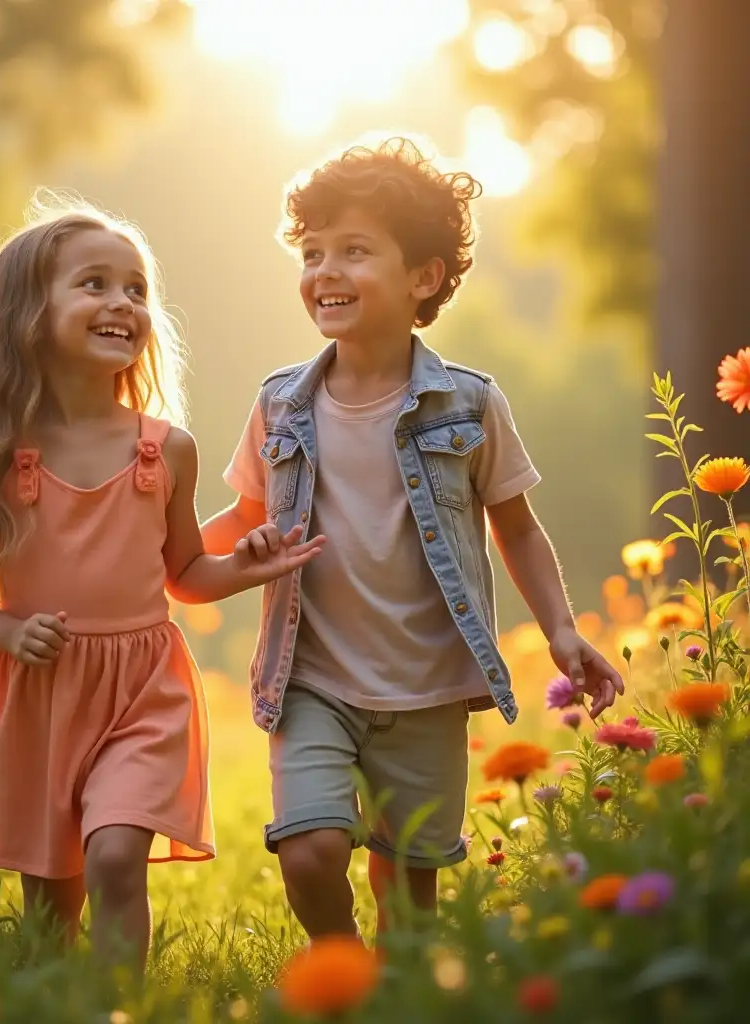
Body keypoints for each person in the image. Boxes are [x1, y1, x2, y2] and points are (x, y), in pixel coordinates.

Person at [201, 137, 624, 940]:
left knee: (410, 898)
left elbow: (519, 528)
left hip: (428, 686)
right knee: (311, 852)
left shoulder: (469, 405)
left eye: (354, 250)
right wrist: (176, 557)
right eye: (313, 251)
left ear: (422, 277)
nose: (325, 270)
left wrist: (562, 630)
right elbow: (239, 523)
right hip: (311, 680)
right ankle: (343, 972)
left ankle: (402, 992)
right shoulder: (279, 407)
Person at [0, 197, 324, 968]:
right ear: (29, 312)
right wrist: (8, 631)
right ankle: (61, 998)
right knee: (50, 901)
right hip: (37, 691)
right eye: (94, 283)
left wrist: (244, 567)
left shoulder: (168, 450)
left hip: (139, 690)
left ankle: (121, 1003)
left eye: (136, 289)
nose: (123, 302)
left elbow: (184, 574)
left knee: (117, 856)